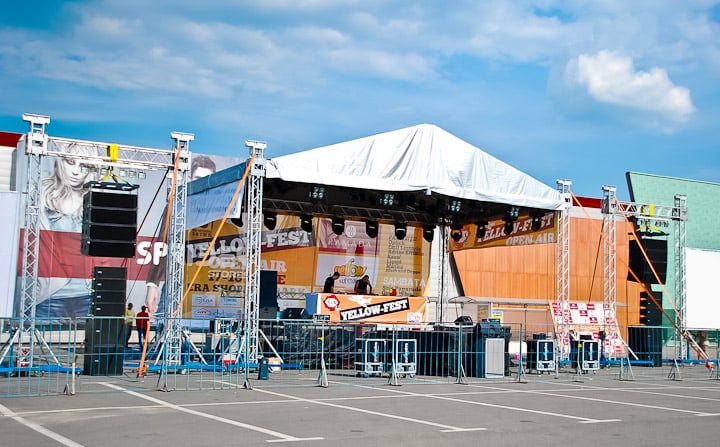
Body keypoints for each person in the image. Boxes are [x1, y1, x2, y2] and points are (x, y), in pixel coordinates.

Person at [144, 155, 217, 315]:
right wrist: (152, 284)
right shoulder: (177, 206)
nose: (201, 184)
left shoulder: (220, 208)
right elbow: (162, 243)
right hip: (177, 284)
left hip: (210, 287)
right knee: (166, 330)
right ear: (190, 178)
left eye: (207, 180)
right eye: (198, 178)